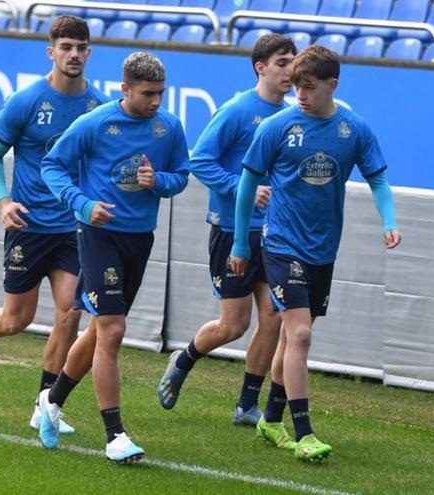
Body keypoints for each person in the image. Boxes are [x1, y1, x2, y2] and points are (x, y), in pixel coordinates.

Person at [229, 45, 401, 461]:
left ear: (332, 86)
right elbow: (247, 185)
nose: (300, 95)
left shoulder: (353, 129)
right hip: (281, 243)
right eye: (296, 87)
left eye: (308, 88)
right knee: (301, 333)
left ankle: (270, 419)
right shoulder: (277, 126)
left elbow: (377, 179)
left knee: (294, 337)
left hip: (323, 248)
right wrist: (238, 243)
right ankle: (304, 433)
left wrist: (389, 220)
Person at [0, 15, 108, 436]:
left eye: (80, 48)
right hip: (28, 224)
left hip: (72, 226)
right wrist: (3, 201)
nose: (73, 55)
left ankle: (45, 404)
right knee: (17, 319)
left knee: (70, 311)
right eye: (66, 48)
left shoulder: (98, 106)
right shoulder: (26, 101)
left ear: (89, 53)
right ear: (51, 52)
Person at [37, 52, 190, 463]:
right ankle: (114, 436)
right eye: (147, 94)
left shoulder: (169, 127)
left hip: (139, 239)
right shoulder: (96, 123)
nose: (156, 101)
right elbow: (52, 167)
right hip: (98, 235)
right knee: (114, 329)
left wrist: (159, 181)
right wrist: (83, 205)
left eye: (160, 93)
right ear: (125, 89)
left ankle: (51, 403)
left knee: (99, 332)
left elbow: (181, 176)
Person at [156, 34, 297, 429]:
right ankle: (183, 359)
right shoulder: (238, 110)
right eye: (283, 62)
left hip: (273, 233)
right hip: (231, 229)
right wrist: (243, 190)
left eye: (293, 62)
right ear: (261, 67)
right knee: (233, 326)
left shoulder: (289, 116)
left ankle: (246, 405)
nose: (291, 70)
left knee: (274, 319)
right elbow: (199, 160)